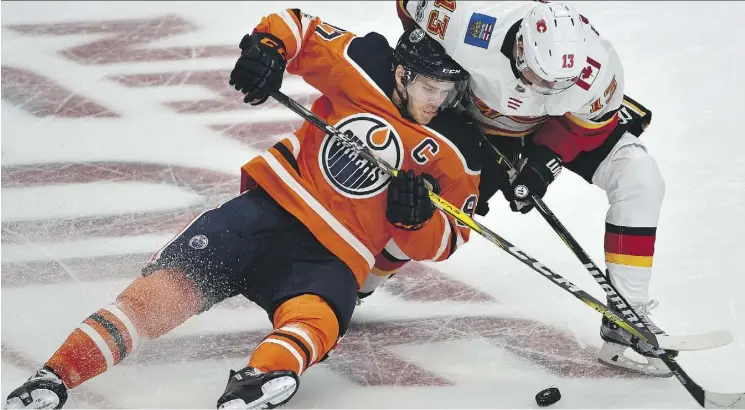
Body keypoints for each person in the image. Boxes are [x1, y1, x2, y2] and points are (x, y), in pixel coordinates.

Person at [5, 9, 485, 410]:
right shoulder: (366, 63)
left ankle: (260, 378)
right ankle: (54, 377)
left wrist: (418, 222)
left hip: (333, 257)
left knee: (318, 318)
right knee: (161, 293)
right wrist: (267, 50)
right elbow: (297, 26)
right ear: (402, 72)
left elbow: (449, 237)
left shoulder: (459, 146)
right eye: (430, 88)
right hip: (263, 214)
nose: (438, 102)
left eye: (449, 92)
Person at [390, 0, 670, 377]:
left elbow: (588, 126)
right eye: (540, 78)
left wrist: (543, 164)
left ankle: (628, 314)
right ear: (521, 48)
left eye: (559, 84)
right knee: (416, 206)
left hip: (550, 128)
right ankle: (358, 276)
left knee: (640, 176)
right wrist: (428, 70)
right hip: (473, 124)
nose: (547, 89)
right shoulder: (466, 23)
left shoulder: (599, 68)